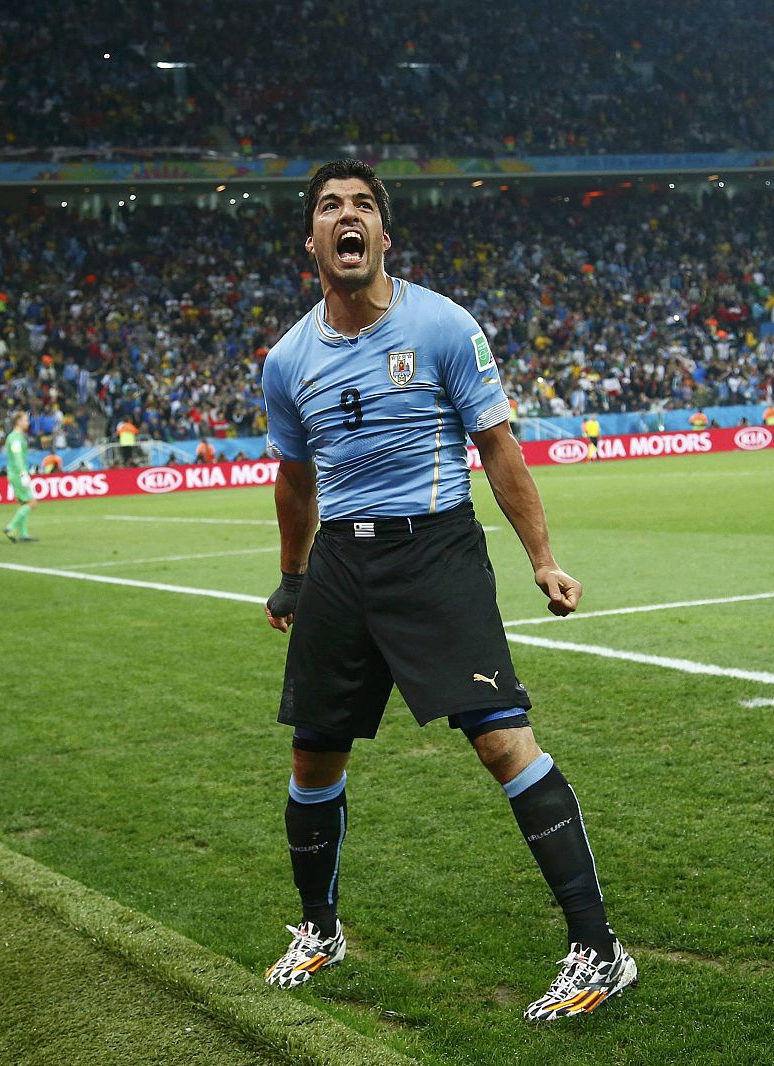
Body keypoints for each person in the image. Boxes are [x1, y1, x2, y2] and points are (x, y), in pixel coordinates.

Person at [258, 159, 635, 1023]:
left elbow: (499, 448)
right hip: (341, 572)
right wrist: (292, 576)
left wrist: (541, 558)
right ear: (310, 238)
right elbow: (295, 478)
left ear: (384, 235)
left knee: (503, 742)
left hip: (435, 553)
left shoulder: (443, 326)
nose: (346, 218)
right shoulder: (287, 359)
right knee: (313, 758)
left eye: (362, 207)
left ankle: (600, 950)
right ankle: (320, 930)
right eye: (329, 207)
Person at [2, 411, 37, 542]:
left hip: (14, 473)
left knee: (23, 503)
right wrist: (23, 474)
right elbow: (17, 458)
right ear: (18, 422)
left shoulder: (15, 437)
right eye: (25, 420)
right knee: (32, 502)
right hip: (18, 474)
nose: (27, 423)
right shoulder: (15, 438)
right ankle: (10, 527)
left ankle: (23, 534)